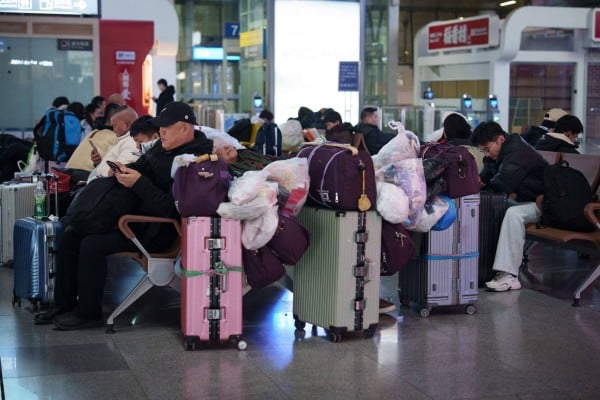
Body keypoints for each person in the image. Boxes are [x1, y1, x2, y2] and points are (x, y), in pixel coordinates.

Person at [34, 101, 213, 330]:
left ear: (186, 128)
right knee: (72, 233)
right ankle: (64, 304)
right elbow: (141, 169)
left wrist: (138, 183)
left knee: (91, 244)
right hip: (133, 218)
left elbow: (174, 208)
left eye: (167, 127)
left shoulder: (193, 162)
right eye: (160, 126)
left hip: (155, 229)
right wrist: (125, 171)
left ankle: (88, 313)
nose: (161, 131)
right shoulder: (162, 149)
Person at [470, 121, 548, 292]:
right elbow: (487, 178)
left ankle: (508, 275)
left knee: (513, 213)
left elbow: (502, 185)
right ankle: (484, 266)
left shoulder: (518, 152)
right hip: (528, 199)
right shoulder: (500, 152)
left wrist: (482, 184)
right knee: (493, 206)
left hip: (546, 205)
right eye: (482, 151)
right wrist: (479, 182)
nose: (486, 154)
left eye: (487, 149)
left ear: (500, 139)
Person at [87, 106, 140, 182]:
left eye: (114, 126)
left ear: (126, 125)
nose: (113, 131)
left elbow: (120, 172)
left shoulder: (133, 143)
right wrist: (99, 163)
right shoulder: (124, 139)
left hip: (102, 187)